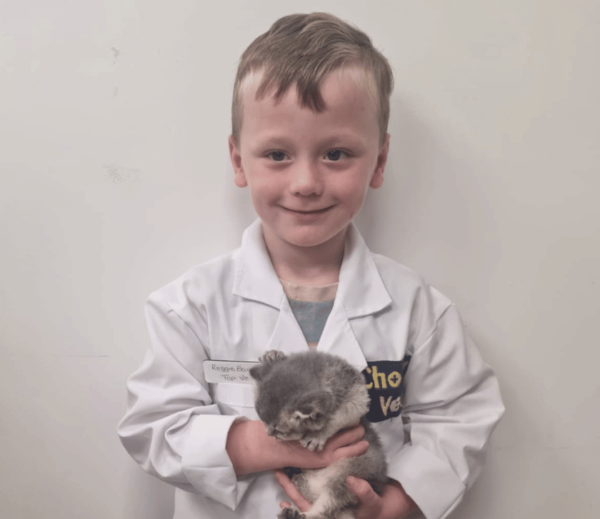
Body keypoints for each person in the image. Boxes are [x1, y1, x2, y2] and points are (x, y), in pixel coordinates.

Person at [118, 12, 504, 519]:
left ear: (380, 162)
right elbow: (152, 427)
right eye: (277, 154)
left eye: (336, 153)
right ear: (239, 161)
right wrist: (271, 444)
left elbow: (459, 419)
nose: (305, 182)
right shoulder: (188, 305)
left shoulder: (417, 309)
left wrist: (395, 506)